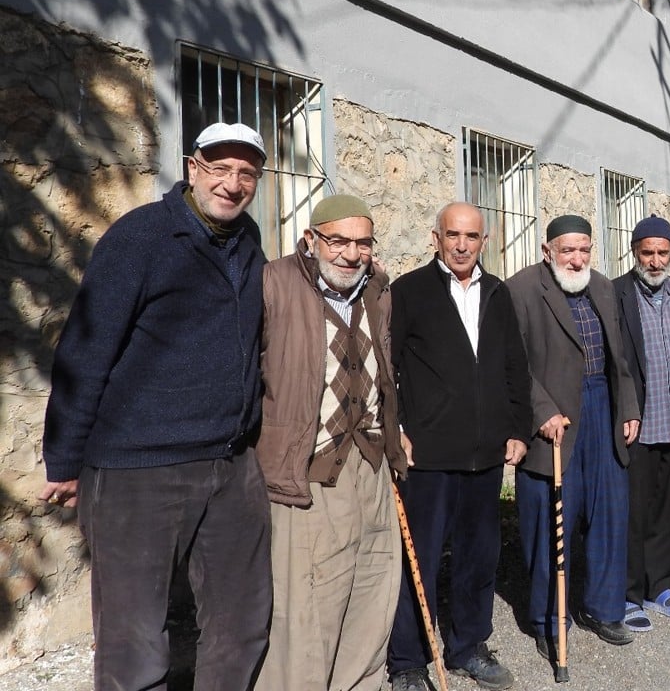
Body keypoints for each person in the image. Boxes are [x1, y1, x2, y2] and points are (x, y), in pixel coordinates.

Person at [40, 122, 271, 689]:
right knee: (134, 640)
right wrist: (65, 459)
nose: (233, 184)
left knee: (241, 622)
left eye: (247, 173)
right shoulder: (141, 238)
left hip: (230, 463)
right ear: (193, 169)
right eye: (220, 168)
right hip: (137, 467)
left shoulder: (248, 240)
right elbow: (86, 349)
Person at [253, 194, 408, 690]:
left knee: (372, 594)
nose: (349, 253)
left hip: (372, 465)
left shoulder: (377, 292)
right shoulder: (273, 284)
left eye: (362, 243)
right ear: (311, 239)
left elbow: (383, 370)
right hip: (307, 470)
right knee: (304, 608)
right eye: (337, 240)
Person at [386, 202, 532, 691]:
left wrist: (518, 429)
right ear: (436, 238)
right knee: (419, 559)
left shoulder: (497, 293)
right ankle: (407, 659)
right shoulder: (408, 291)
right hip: (427, 454)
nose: (462, 245)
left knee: (478, 557)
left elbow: (515, 366)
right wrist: (397, 428)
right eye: (453, 235)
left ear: (484, 241)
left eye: (472, 236)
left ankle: (468, 646)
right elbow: (387, 369)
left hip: (486, 455)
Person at [507, 214, 641, 658]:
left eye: (584, 249)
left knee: (609, 514)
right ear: (548, 252)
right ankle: (550, 619)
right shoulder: (522, 289)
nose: (577, 258)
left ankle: (604, 608)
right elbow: (513, 364)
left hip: (602, 407)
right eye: (568, 250)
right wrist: (542, 410)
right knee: (551, 523)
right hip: (555, 416)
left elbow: (618, 357)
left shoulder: (602, 286)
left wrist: (628, 408)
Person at [612, 214, 670, 632]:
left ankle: (662, 586)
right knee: (634, 511)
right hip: (640, 424)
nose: (654, 261)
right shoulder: (617, 293)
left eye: (662, 253)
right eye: (647, 252)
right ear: (635, 252)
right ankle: (630, 594)